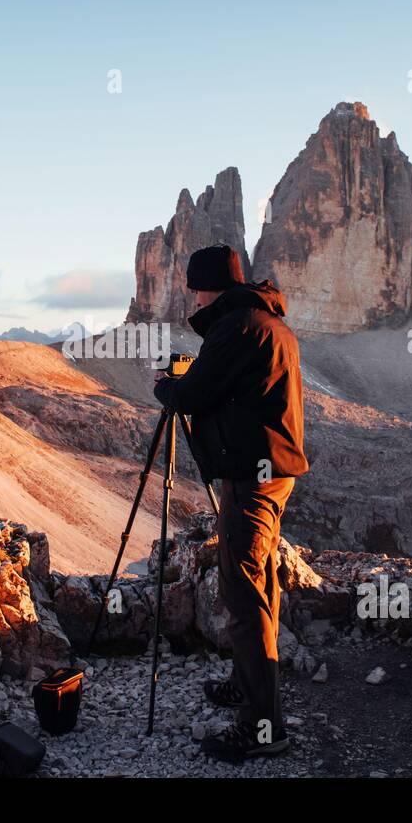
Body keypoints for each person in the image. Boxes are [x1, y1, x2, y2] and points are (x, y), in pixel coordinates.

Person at [153, 244, 308, 763]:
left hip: (251, 477)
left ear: (211, 285)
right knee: (259, 579)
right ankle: (248, 684)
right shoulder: (266, 321)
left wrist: (168, 390)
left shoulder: (238, 326)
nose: (192, 295)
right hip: (272, 472)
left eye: (196, 286)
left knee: (242, 593)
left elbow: (195, 394)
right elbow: (231, 389)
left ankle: (264, 727)